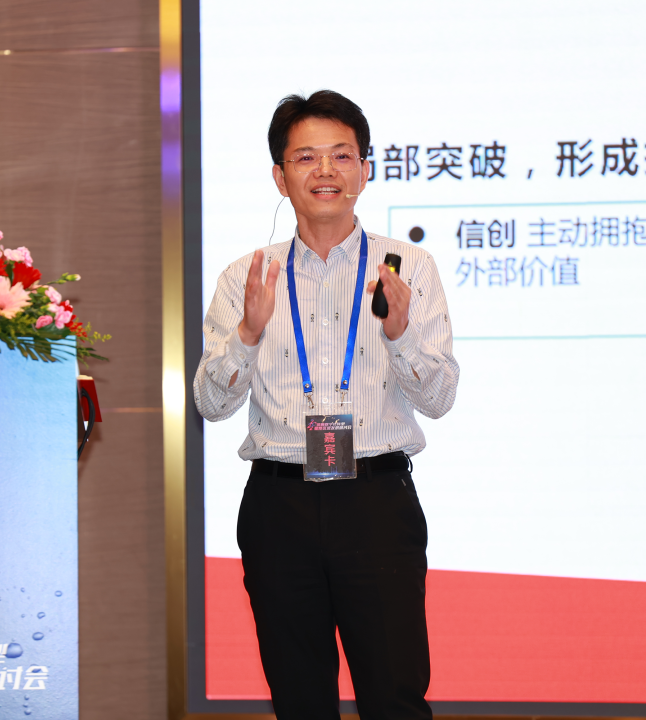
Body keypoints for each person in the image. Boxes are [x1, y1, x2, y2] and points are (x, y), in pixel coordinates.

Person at [193, 90, 460, 720]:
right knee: (299, 699)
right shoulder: (246, 277)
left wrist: (400, 333)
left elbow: (440, 398)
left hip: (376, 500)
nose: (326, 171)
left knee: (394, 696)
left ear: (364, 170)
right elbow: (209, 403)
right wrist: (248, 334)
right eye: (306, 157)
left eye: (342, 155)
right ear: (280, 176)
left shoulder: (408, 267)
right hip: (279, 504)